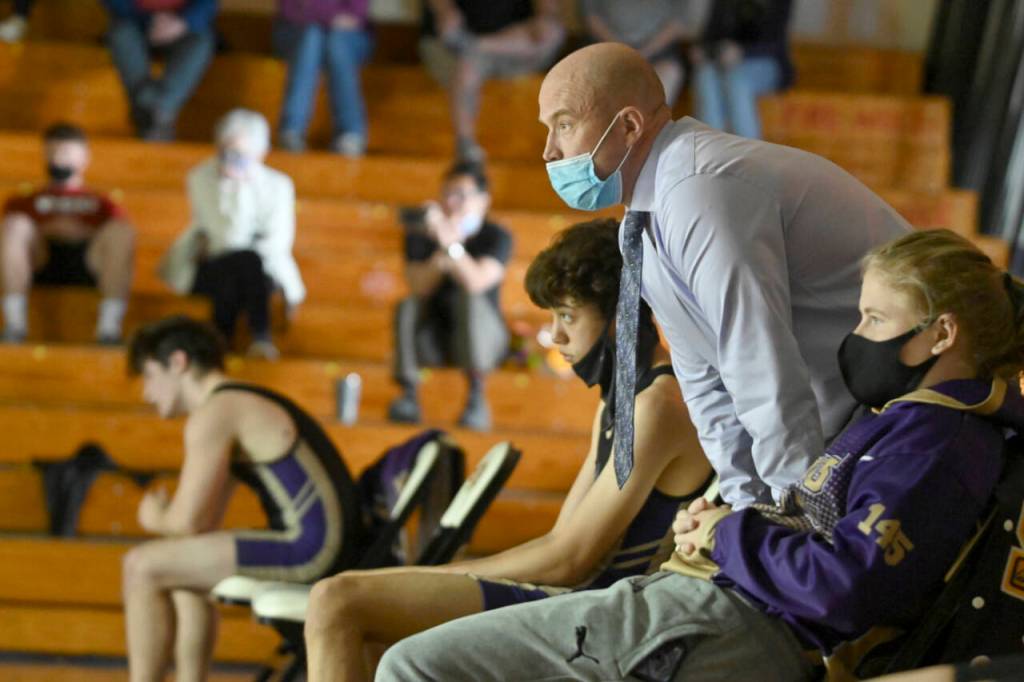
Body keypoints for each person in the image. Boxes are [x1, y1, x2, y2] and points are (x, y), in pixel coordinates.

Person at [376, 228, 1024, 681]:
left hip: (741, 624)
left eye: (876, 320)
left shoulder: (940, 442)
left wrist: (728, 532)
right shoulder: (915, 423)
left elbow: (843, 584)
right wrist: (723, 526)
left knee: (413, 666)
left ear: (941, 334)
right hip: (720, 607)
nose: (858, 337)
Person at [304, 218, 714, 682]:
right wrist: (443, 574)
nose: (556, 337)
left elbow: (569, 560)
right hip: (578, 595)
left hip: (604, 614)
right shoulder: (618, 403)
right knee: (371, 618)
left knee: (336, 601)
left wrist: (441, 576)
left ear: (621, 316)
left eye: (568, 316)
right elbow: (560, 542)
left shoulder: (657, 407)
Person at [540, 42, 909, 508]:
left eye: (565, 125)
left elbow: (759, 360)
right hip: (851, 425)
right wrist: (744, 509)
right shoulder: (648, 217)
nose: (550, 151)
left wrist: (792, 514)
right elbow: (704, 380)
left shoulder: (699, 189)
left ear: (629, 126)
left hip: (906, 410)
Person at [123, 315, 361, 682]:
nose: (145, 392)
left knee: (140, 566)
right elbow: (194, 534)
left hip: (314, 547)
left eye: (149, 375)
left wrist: (153, 516)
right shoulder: (240, 399)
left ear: (178, 362)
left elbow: (186, 522)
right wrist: (174, 527)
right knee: (181, 567)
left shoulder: (218, 411)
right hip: (326, 541)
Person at [159, 109, 304, 360]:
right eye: (227, 151)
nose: (232, 158)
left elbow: (277, 243)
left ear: (260, 153)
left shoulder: (280, 186)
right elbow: (224, 238)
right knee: (241, 264)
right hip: (212, 263)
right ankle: (260, 337)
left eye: (241, 154)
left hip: (261, 270)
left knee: (244, 267)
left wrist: (244, 188)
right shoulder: (201, 177)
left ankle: (220, 342)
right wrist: (232, 189)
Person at [386, 161, 511, 431]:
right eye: (446, 194)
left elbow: (477, 281)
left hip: (485, 339)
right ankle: (408, 393)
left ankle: (477, 396)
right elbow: (418, 286)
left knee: (468, 298)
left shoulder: (496, 235)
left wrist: (452, 247)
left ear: (483, 200)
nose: (451, 203)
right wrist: (440, 252)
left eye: (461, 195)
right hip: (436, 337)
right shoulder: (422, 234)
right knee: (407, 305)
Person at [1, 123, 135, 344]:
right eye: (53, 152)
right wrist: (51, 228)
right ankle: (15, 325)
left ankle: (108, 329)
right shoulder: (23, 201)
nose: (59, 160)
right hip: (38, 261)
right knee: (14, 225)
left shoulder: (102, 204)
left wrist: (77, 230)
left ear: (84, 158)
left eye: (66, 153)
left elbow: (117, 235)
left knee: (121, 231)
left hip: (89, 262)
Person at [421, 0, 565, 162]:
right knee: (467, 67)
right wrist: (445, 10)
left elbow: (548, 10)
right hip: (461, 50)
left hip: (513, 46)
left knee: (552, 32)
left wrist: (545, 17)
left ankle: (476, 45)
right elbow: (444, 16)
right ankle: (465, 146)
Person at [102, 0, 217, 141]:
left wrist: (183, 22)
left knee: (202, 42)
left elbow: (208, 3)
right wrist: (151, 20)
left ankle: (149, 108)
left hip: (183, 28)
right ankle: (160, 114)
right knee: (120, 34)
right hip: (135, 23)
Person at [274, 0, 374, 156]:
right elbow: (290, 12)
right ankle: (292, 132)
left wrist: (313, 11)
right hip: (297, 35)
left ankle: (349, 135)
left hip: (347, 39)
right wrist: (331, 18)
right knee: (312, 36)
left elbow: (356, 15)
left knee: (334, 41)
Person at [690, 0, 794, 139]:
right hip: (722, 61)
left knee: (736, 79)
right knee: (705, 75)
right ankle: (711, 151)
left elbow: (775, 44)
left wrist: (742, 52)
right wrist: (704, 50)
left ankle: (749, 156)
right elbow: (709, 35)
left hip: (764, 62)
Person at [581, 0, 689, 107]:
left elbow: (679, 22)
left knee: (669, 73)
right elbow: (591, 16)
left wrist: (645, 51)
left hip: (659, 52)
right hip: (606, 49)